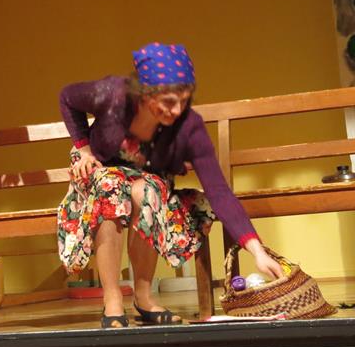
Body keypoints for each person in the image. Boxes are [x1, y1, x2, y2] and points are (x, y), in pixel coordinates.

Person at [57, 42, 284, 328]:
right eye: (167, 102)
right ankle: (112, 298)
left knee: (148, 191)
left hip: (147, 182)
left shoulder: (189, 127)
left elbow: (218, 190)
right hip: (99, 172)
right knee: (110, 187)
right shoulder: (113, 94)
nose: (176, 110)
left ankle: (143, 296)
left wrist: (257, 251)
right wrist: (84, 149)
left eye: (184, 100)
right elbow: (67, 97)